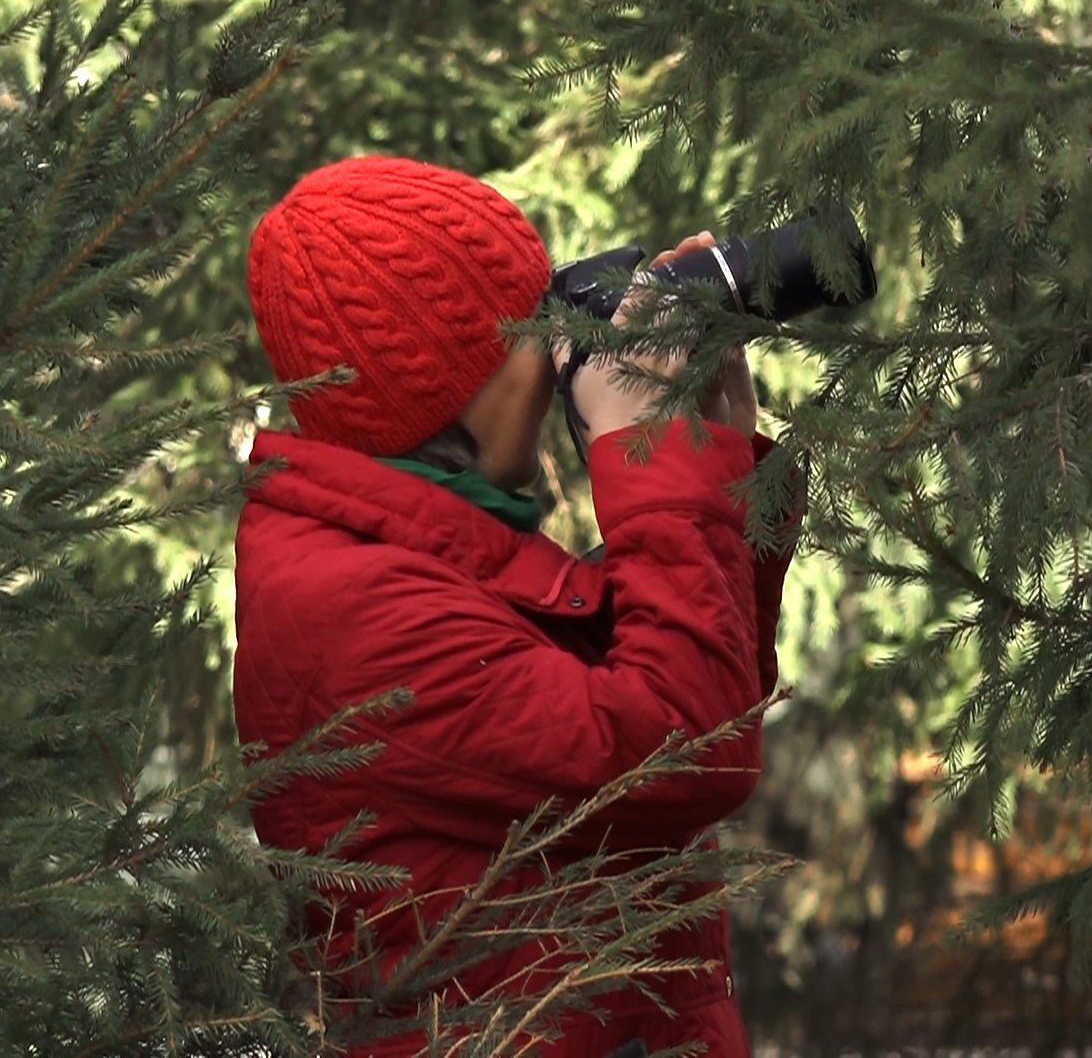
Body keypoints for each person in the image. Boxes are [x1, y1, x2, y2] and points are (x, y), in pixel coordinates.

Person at [234, 156, 795, 1056]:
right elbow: (678, 752)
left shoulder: (405, 554)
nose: (559, 350)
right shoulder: (353, 612)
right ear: (450, 390)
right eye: (535, 326)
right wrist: (647, 455)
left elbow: (683, 687)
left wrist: (711, 460)